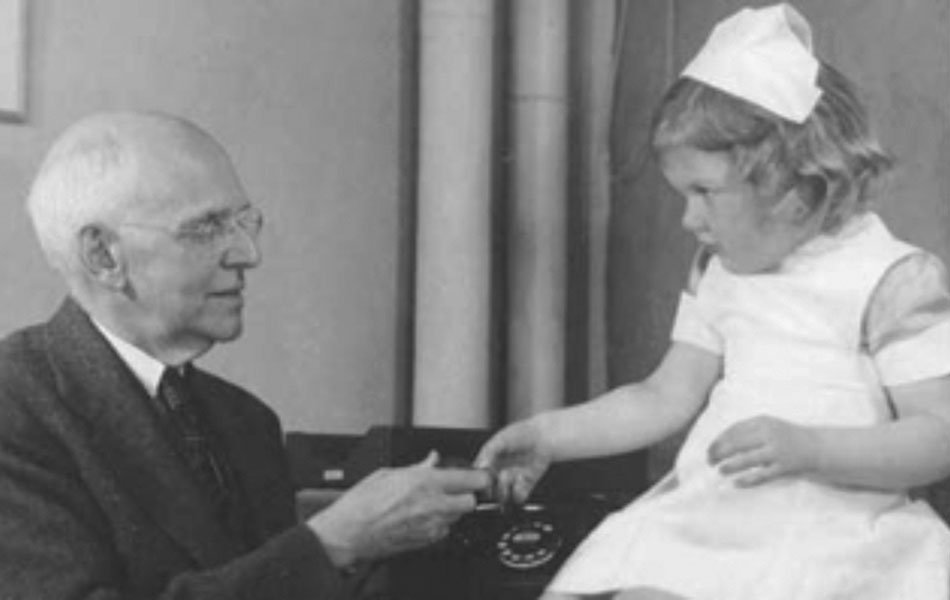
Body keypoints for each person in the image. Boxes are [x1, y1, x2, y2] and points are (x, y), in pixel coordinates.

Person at [475, 4, 950, 599]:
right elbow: (662, 396)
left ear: (796, 187)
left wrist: (811, 449)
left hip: (835, 525)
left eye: (704, 192)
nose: (688, 219)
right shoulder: (719, 270)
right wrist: (548, 435)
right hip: (716, 518)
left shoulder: (891, 278)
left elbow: (938, 435)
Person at [0, 110, 490, 599]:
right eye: (206, 227)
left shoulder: (246, 421)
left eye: (243, 223)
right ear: (103, 256)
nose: (248, 255)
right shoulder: (15, 406)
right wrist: (334, 543)